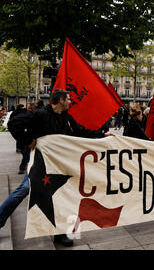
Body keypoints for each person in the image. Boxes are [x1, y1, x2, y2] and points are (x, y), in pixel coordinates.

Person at [0, 89, 115, 247]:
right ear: (61, 100)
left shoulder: (66, 118)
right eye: (68, 99)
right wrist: (28, 141)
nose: (70, 101)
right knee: (25, 189)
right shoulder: (41, 114)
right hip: (41, 165)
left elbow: (81, 132)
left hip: (59, 165)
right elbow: (14, 123)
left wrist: (102, 136)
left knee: (63, 195)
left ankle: (61, 234)